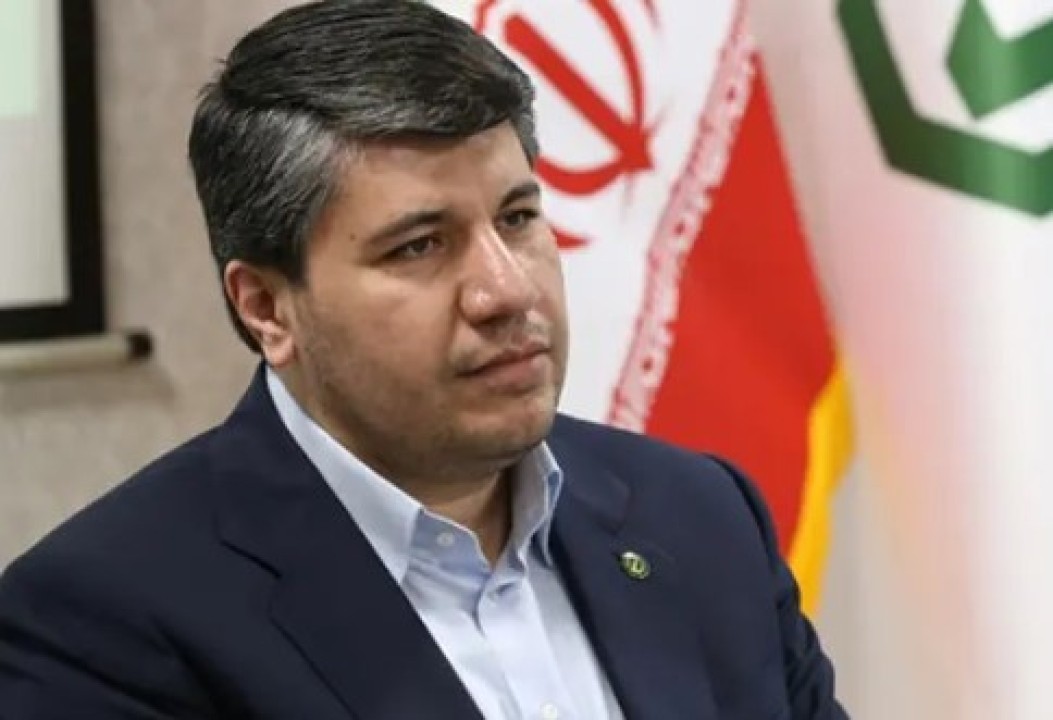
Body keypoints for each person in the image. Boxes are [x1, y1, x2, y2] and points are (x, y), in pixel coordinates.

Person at [0, 2, 847, 718]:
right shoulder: (104, 622)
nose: (505, 291)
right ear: (265, 307)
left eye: (517, 219)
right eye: (419, 246)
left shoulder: (698, 517)